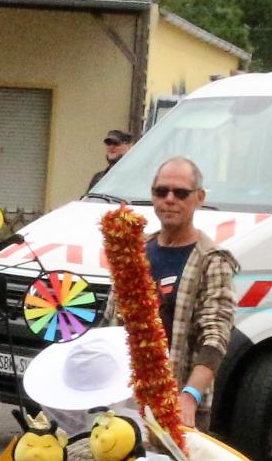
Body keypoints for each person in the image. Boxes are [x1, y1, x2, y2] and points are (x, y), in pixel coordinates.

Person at [136, 157, 239, 426]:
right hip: (129, 400)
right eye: (161, 191)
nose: (170, 199)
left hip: (181, 404)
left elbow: (215, 337)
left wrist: (190, 396)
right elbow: (113, 322)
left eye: (181, 193)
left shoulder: (212, 259)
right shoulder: (135, 251)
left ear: (199, 197)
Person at [89, 128, 134, 193]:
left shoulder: (137, 176)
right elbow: (88, 201)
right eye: (108, 143)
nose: (111, 147)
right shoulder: (98, 178)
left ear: (129, 147)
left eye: (116, 143)